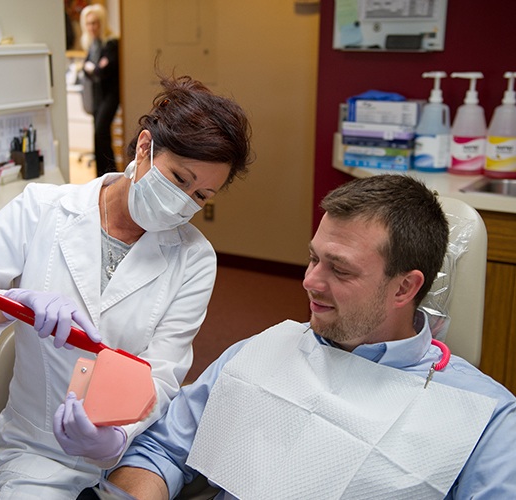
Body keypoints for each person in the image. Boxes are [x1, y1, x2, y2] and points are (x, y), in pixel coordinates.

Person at [0, 73, 252, 498]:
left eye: (202, 196)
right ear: (144, 147)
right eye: (180, 179)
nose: (185, 201)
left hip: (129, 450)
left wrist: (116, 437)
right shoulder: (42, 209)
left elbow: (162, 374)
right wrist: (12, 303)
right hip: (38, 454)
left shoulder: (195, 259)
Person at [107, 175, 516, 499]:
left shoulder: (483, 417)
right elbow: (161, 452)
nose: (309, 281)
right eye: (313, 258)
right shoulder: (260, 352)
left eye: (340, 269)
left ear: (405, 288)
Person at [80, 3, 120, 177]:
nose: (92, 27)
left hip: (110, 96)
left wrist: (94, 68)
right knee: (98, 136)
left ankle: (111, 174)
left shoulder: (111, 44)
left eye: (95, 23)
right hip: (97, 96)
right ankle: (101, 176)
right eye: (88, 24)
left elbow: (102, 71)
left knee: (101, 133)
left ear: (102, 23)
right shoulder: (93, 45)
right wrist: (94, 68)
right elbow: (87, 70)